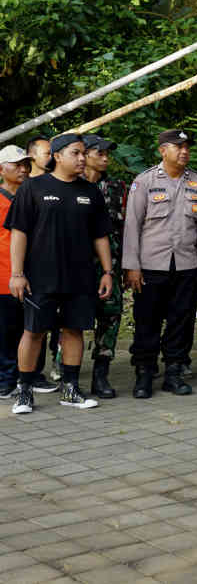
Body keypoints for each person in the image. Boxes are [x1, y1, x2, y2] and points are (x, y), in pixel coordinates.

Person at [6, 133, 114, 413]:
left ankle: (71, 388)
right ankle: (24, 391)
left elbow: (100, 235)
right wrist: (17, 273)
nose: (82, 158)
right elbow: (19, 233)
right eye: (75, 153)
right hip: (40, 276)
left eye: (83, 153)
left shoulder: (90, 192)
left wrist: (107, 271)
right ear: (57, 156)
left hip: (80, 276)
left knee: (74, 330)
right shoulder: (33, 188)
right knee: (34, 331)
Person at [123, 130, 197, 398]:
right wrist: (132, 266)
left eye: (187, 147)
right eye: (178, 147)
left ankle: (174, 372)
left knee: (181, 320)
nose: (184, 152)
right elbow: (132, 225)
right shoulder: (145, 181)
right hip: (151, 264)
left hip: (186, 264)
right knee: (147, 320)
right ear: (163, 150)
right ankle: (144, 373)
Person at [81, 134, 127, 398]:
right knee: (71, 320)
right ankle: (66, 372)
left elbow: (126, 227)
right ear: (84, 154)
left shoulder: (117, 187)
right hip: (77, 267)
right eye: (100, 153)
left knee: (110, 317)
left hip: (110, 266)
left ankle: (101, 375)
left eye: (108, 153)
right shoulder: (69, 185)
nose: (106, 158)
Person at [24, 134, 60, 392]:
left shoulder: (59, 185)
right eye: (47, 152)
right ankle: (21, 379)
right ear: (32, 156)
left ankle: (40, 373)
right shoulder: (27, 187)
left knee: (49, 326)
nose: (51, 156)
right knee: (28, 328)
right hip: (27, 270)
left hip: (56, 271)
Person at [0, 147, 32, 399]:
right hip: (3, 277)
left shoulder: (32, 196)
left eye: (25, 165)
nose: (23, 169)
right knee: (5, 332)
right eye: (16, 165)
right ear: (1, 169)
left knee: (30, 329)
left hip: (32, 276)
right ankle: (5, 379)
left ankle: (30, 376)